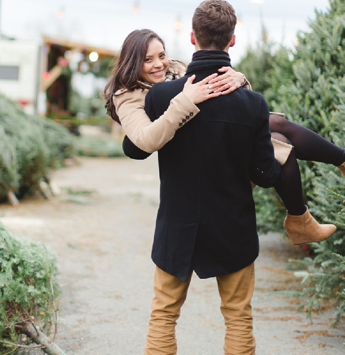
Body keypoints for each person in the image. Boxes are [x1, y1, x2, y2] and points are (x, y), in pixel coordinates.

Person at [120, 0, 325, 354]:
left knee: (163, 316)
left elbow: (140, 144)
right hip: (233, 225)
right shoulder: (252, 103)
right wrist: (277, 164)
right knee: (238, 317)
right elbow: (263, 175)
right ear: (232, 40)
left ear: (192, 37)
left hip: (177, 225)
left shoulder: (161, 96)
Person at [105, 27, 341, 245]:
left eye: (161, 55)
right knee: (280, 142)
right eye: (148, 59)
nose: (159, 64)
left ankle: (318, 194)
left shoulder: (177, 72)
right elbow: (145, 141)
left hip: (214, 135)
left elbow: (224, 98)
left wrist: (239, 79)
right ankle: (301, 219)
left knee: (280, 134)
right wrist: (185, 101)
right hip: (203, 158)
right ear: (133, 62)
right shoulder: (128, 96)